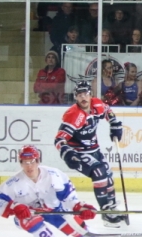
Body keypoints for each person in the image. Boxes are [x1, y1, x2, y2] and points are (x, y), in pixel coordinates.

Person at [0, 145, 121, 237]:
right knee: (32, 221)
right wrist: (14, 207)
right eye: (25, 162)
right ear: (20, 163)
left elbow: (67, 196)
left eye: (32, 161)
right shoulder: (14, 182)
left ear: (38, 161)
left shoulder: (53, 175)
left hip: (54, 210)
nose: (29, 166)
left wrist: (79, 206)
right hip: (28, 214)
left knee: (77, 227)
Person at [54, 80, 126, 226]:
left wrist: (114, 124)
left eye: (85, 94)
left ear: (90, 94)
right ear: (75, 97)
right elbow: (59, 139)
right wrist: (67, 153)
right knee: (99, 172)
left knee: (107, 174)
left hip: (95, 150)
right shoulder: (73, 115)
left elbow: (108, 111)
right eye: (79, 95)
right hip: (78, 153)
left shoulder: (96, 105)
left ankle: (111, 207)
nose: (83, 98)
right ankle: (105, 212)